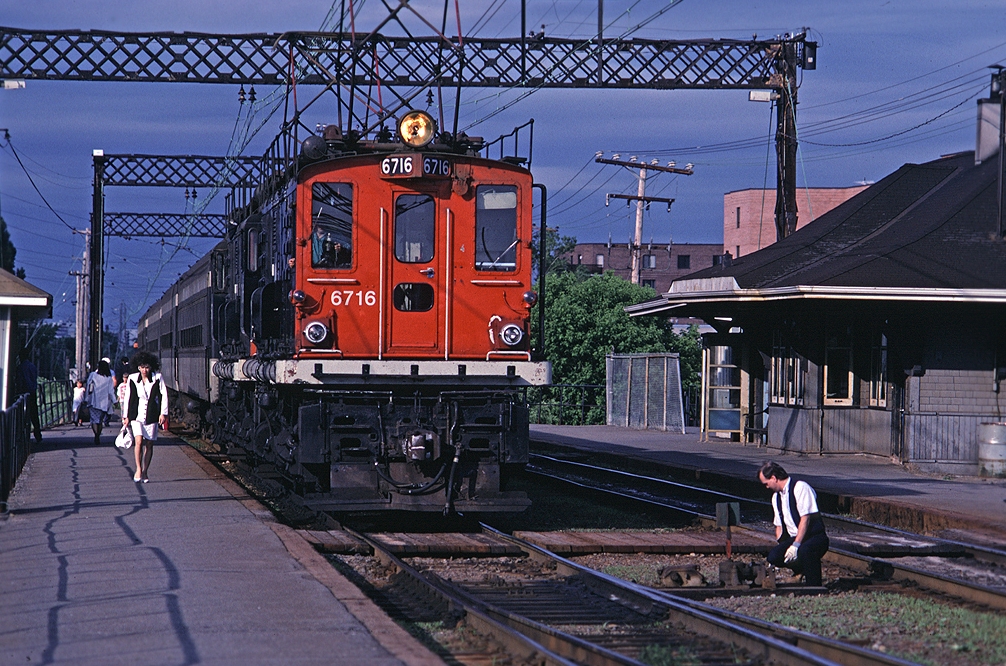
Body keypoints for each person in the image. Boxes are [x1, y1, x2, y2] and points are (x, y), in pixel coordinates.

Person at [758, 461, 830, 586]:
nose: (766, 487)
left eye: (766, 483)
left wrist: (795, 545)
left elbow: (805, 518)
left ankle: (814, 585)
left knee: (805, 550)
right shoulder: (776, 497)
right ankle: (799, 571)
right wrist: (782, 545)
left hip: (814, 537)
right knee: (774, 556)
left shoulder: (800, 487)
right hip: (794, 538)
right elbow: (779, 525)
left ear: (774, 478)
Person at [122, 351, 169, 483]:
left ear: (151, 367)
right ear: (138, 367)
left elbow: (163, 395)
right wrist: (126, 416)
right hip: (137, 414)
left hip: (152, 413)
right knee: (138, 441)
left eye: (147, 367)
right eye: (142, 367)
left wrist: (163, 413)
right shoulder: (132, 378)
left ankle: (145, 470)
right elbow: (128, 398)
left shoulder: (157, 377)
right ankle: (138, 468)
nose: (144, 370)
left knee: (149, 443)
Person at [85, 359, 116, 446]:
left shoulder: (93, 375)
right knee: (100, 420)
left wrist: (86, 398)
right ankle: (98, 434)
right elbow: (111, 391)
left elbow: (88, 386)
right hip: (104, 403)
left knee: (94, 420)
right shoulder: (109, 379)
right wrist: (114, 401)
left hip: (93, 401)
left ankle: (96, 434)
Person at [16, 351, 42, 444]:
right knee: (34, 415)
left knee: (23, 415)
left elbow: (20, 381)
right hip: (33, 392)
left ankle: (24, 436)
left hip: (24, 393)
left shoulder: (20, 368)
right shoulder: (32, 366)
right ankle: (38, 435)